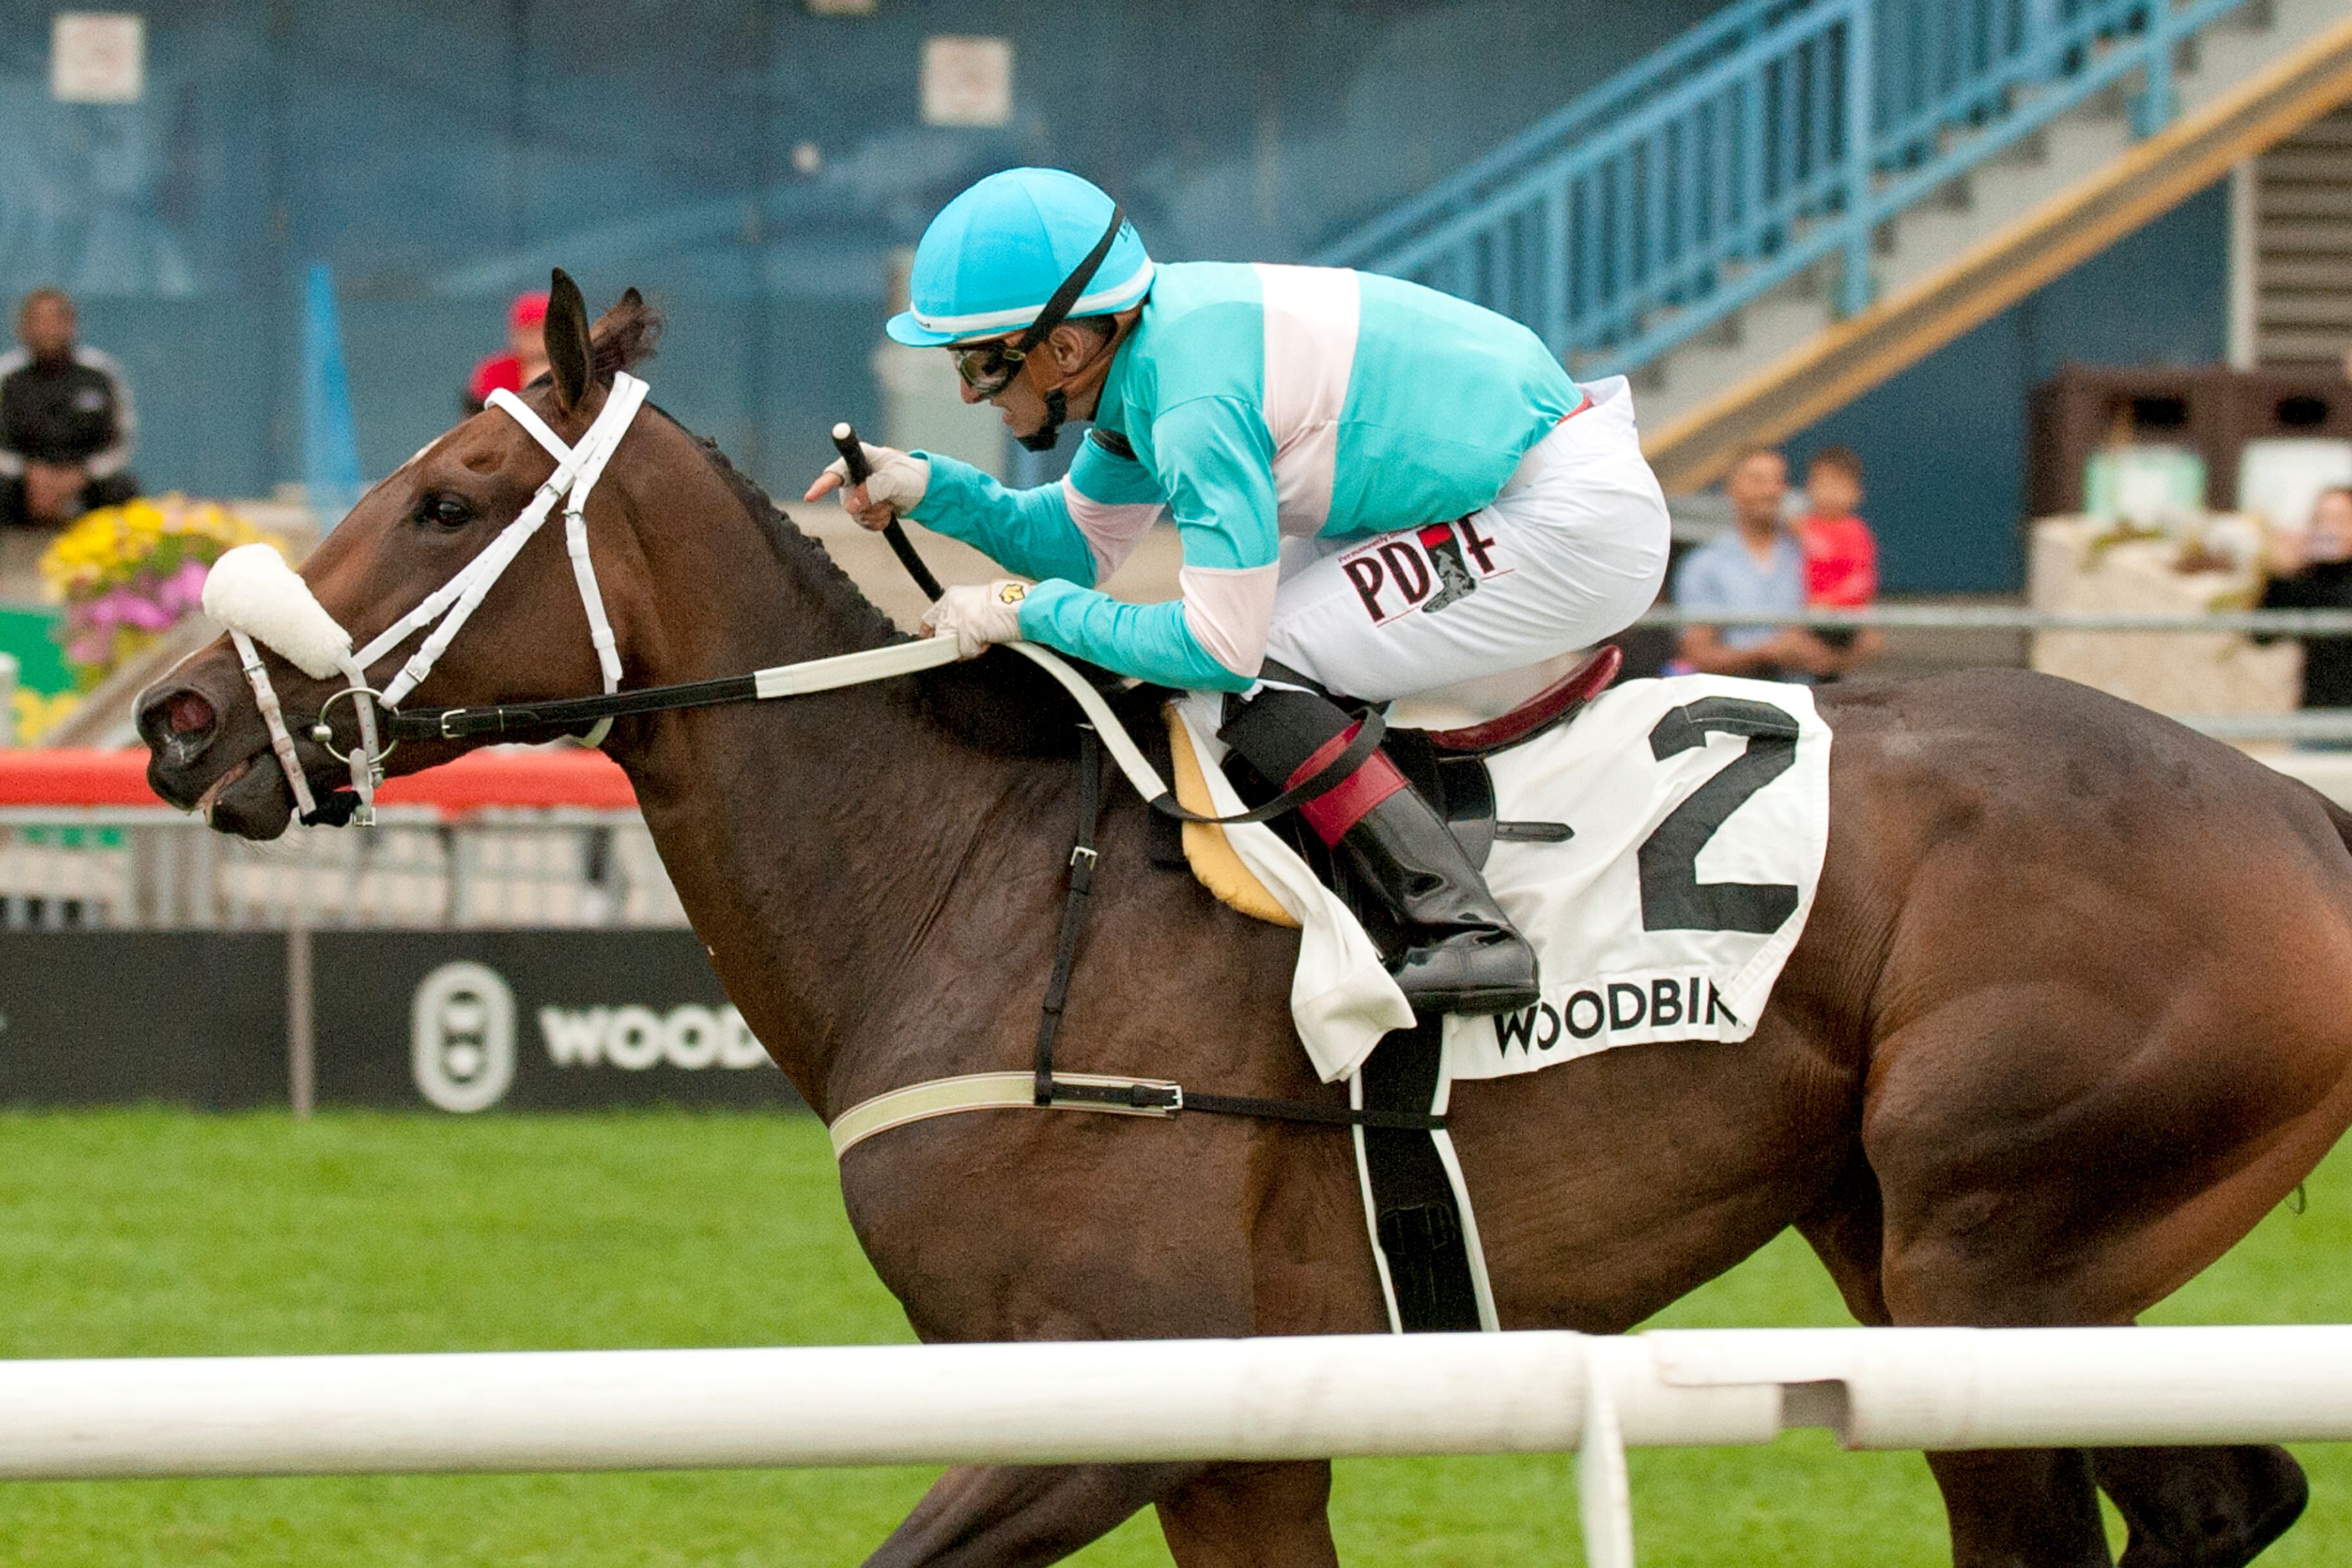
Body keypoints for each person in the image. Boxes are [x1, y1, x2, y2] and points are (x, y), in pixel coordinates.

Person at [805, 167, 1670, 1016]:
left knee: (1260, 662)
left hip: (1562, 516)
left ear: (1066, 348)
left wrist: (1020, 611)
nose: (966, 390)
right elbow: (1074, 548)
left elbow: (1218, 648)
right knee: (1251, 665)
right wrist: (933, 487)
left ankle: (1460, 926)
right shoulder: (1143, 353)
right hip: (1509, 484)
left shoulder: (1192, 402)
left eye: (982, 364)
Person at [1673, 448, 1868, 683]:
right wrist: (1767, 652)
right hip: (1734, 705)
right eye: (1757, 480)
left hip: (1807, 700)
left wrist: (1829, 658)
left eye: (1778, 480)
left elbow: (1867, 635)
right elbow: (1697, 655)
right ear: (1731, 488)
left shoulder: (1814, 550)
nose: (1769, 490)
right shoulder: (1703, 565)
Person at [0, 288, 139, 532]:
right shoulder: (7, 376)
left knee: (123, 489)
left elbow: (121, 444)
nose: (48, 329)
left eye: (56, 319)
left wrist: (79, 475)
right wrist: (30, 475)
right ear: (22, 328)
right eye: (38, 321)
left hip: (87, 481)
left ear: (71, 324)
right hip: (22, 483)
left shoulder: (101, 374)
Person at [2258, 485, 2352, 734]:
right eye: (2321, 520)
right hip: (2319, 720)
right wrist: (2281, 575)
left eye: (2341, 520)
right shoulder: (2310, 576)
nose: (2329, 529)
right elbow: (2262, 635)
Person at [1794, 446, 1884, 665]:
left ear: (1857, 493)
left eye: (1839, 485)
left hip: (1841, 622)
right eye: (1822, 484)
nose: (1830, 493)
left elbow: (1862, 580)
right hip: (1800, 620)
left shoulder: (1856, 532)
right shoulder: (1799, 526)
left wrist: (1831, 602)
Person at [463, 291, 551, 415]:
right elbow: (474, 417)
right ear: (514, 335)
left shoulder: (572, 371)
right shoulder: (495, 372)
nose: (535, 340)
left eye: (540, 331)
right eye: (528, 332)